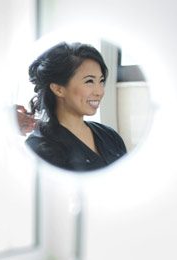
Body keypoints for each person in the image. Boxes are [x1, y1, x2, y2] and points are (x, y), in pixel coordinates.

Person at [24, 42, 127, 171]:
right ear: (58, 89)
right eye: (89, 81)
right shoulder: (38, 148)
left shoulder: (110, 136)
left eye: (101, 81)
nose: (99, 91)